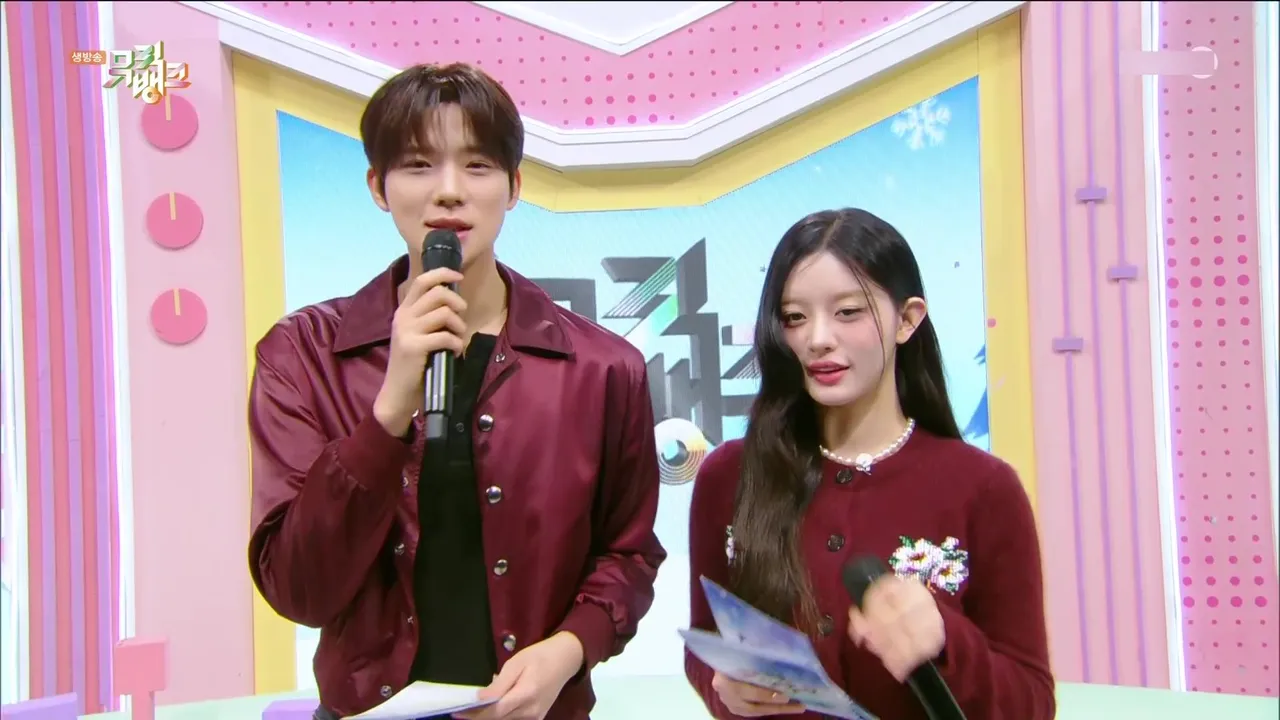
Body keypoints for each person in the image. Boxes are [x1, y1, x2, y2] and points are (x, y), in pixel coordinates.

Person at [246, 62, 666, 720]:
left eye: (477, 166)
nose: (449, 192)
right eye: (418, 165)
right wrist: (389, 411)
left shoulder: (604, 368)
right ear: (378, 186)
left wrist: (568, 650)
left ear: (514, 186)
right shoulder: (302, 354)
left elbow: (628, 553)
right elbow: (300, 590)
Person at [684, 209, 1055, 720]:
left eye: (848, 312)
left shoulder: (984, 489)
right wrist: (724, 689)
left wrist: (945, 641)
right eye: (794, 317)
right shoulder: (729, 476)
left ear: (907, 319)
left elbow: (1031, 704)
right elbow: (705, 644)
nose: (817, 338)